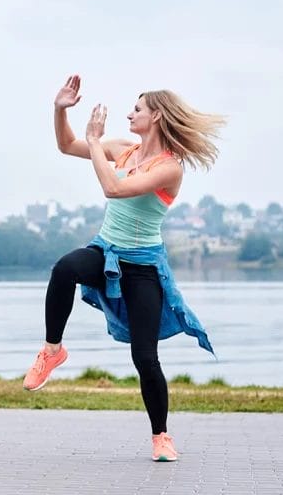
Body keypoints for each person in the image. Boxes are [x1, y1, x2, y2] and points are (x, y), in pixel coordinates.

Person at [22, 74, 224, 462]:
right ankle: (52, 350)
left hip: (142, 267)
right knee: (65, 268)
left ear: (158, 117)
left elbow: (113, 190)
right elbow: (66, 145)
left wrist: (96, 141)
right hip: (105, 251)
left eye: (138, 109)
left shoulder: (170, 168)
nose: (130, 113)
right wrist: (59, 109)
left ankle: (161, 436)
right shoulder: (124, 150)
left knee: (145, 357)